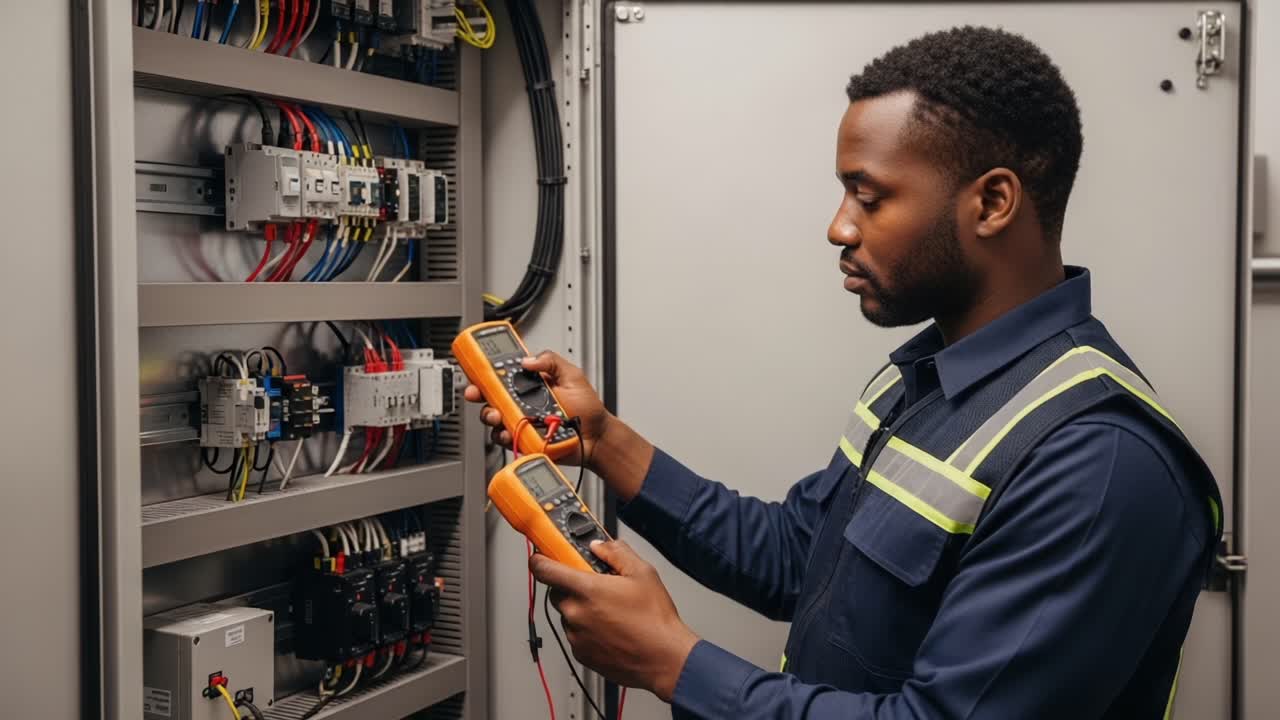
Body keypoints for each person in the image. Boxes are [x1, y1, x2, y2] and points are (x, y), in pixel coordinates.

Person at [466, 26, 1223, 719]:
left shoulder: (1098, 463)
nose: (839, 225)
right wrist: (605, 440)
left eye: (869, 195)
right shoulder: (922, 378)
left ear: (993, 201)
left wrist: (673, 662)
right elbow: (798, 558)